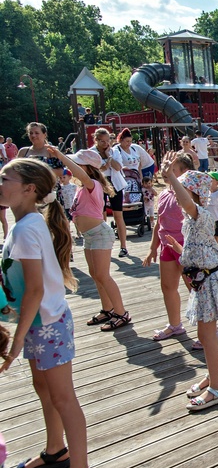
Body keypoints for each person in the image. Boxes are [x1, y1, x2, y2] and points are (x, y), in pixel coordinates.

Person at [0, 157, 101, 468]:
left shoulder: (26, 228)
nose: (0, 183)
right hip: (40, 323)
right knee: (44, 390)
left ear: (29, 189)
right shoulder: (24, 223)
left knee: (63, 397)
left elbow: (34, 291)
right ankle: (56, 450)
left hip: (46, 324)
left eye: (4, 178)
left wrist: (14, 343)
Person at [160, 157, 218, 410]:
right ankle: (212, 376)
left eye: (181, 189)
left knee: (208, 335)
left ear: (192, 194)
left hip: (209, 281)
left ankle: (217, 388)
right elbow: (198, 250)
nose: (175, 196)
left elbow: (186, 201)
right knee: (203, 334)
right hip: (202, 281)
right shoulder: (190, 221)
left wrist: (170, 176)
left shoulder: (200, 214)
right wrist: (179, 247)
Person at [50, 147, 131, 330]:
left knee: (103, 275)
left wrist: (61, 156)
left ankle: (121, 312)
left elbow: (81, 174)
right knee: (96, 275)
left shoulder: (92, 183)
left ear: (86, 168)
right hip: (89, 236)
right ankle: (107, 308)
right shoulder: (80, 188)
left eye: (77, 164)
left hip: (100, 234)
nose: (72, 169)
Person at [145, 153, 196, 341]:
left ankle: (208, 330)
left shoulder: (189, 194)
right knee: (167, 286)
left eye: (172, 168)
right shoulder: (165, 193)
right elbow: (160, 222)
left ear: (185, 172)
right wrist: (152, 248)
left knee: (195, 289)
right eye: (165, 167)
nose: (166, 171)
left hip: (186, 246)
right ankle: (175, 325)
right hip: (167, 246)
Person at [113, 129, 145, 257]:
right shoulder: (117, 150)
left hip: (135, 177)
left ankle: (137, 217)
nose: (129, 143)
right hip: (123, 178)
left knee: (136, 197)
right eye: (126, 141)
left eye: (130, 141)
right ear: (121, 140)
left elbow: (139, 164)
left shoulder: (134, 149)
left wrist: (140, 176)